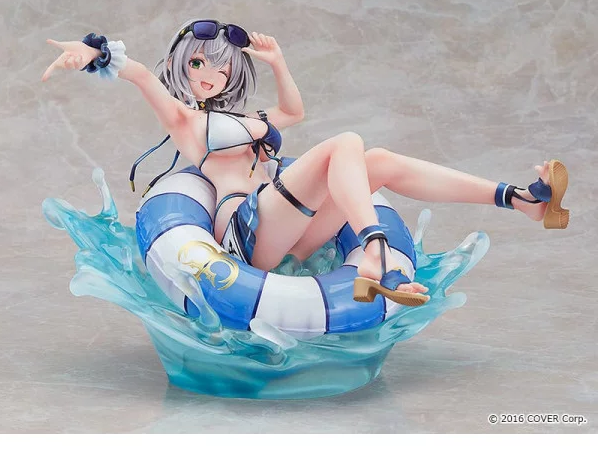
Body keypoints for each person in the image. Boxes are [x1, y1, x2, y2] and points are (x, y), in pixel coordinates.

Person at [41, 19, 570, 309]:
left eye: (220, 67)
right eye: (197, 63)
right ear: (183, 65)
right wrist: (91, 54)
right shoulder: (185, 122)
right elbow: (139, 74)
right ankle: (375, 256)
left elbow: (293, 112)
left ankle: (520, 200)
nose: (206, 74)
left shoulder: (245, 118)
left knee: (377, 160)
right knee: (348, 144)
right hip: (243, 232)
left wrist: (277, 62)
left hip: (290, 232)